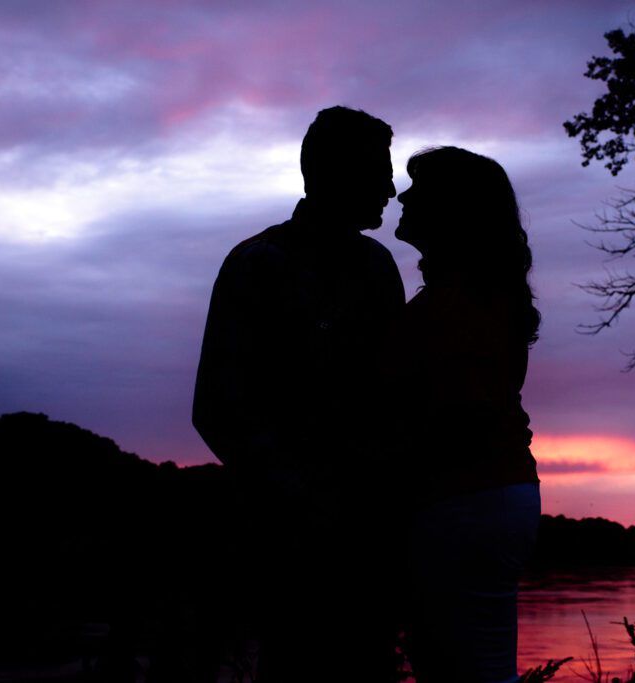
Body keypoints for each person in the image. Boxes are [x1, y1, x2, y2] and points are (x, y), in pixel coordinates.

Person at [192, 106, 405, 681]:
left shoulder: (381, 268)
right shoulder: (257, 265)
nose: (390, 187)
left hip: (370, 547)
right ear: (334, 173)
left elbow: (396, 397)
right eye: (377, 170)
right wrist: (304, 499)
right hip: (287, 550)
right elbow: (216, 408)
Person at [387, 146, 542, 683]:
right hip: (486, 497)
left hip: (467, 502)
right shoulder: (473, 296)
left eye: (418, 189)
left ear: (452, 209)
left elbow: (458, 416)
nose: (402, 196)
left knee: (468, 673)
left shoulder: (462, 305)